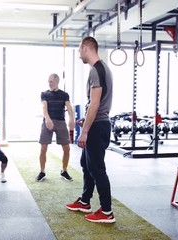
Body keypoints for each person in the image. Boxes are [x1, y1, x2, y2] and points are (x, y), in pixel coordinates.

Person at [65, 36, 115, 223]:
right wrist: (86, 119)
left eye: (79, 50)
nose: (79, 54)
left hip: (98, 126)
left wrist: (85, 131)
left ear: (86, 48)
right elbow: (97, 103)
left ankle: (107, 211)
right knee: (87, 165)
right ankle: (85, 201)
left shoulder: (96, 70)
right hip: (97, 123)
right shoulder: (103, 69)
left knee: (97, 168)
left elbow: (94, 104)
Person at [36, 73, 75, 182]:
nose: (49, 83)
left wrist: (72, 119)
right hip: (48, 121)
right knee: (43, 147)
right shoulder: (44, 94)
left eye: (51, 81)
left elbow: (69, 107)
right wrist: (48, 119)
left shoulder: (64, 95)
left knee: (66, 148)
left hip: (61, 122)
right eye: (48, 81)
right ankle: (42, 171)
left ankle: (64, 170)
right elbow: (44, 107)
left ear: (57, 82)